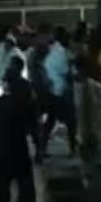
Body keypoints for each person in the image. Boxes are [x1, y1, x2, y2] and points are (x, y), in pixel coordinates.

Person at [0, 56, 40, 202]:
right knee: (25, 187)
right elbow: (33, 125)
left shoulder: (2, 100)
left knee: (2, 188)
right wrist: (38, 147)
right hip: (19, 146)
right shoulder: (26, 97)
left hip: (3, 146)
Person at [42, 27, 75, 155]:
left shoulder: (52, 51)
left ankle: (42, 149)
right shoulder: (62, 54)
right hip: (62, 91)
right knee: (71, 122)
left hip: (52, 90)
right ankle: (73, 149)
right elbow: (67, 73)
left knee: (50, 122)